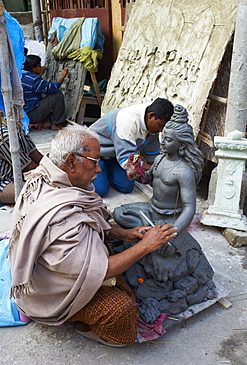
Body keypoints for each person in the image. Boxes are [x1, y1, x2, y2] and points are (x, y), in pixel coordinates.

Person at [9, 123, 177, 347]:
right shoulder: (61, 215)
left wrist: (125, 234)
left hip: (59, 268)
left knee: (123, 264)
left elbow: (91, 221)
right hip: (49, 293)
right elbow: (97, 271)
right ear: (71, 161)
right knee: (122, 312)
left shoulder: (50, 177)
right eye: (95, 162)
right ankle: (70, 318)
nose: (99, 170)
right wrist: (145, 246)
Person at [113, 105, 215, 324]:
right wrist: (137, 173)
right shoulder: (159, 160)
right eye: (163, 137)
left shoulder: (183, 171)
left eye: (169, 140)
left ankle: (149, 231)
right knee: (118, 212)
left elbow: (189, 207)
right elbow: (148, 178)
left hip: (168, 218)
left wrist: (175, 233)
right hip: (151, 210)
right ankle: (144, 224)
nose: (162, 142)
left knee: (162, 245)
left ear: (181, 144)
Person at [89, 98, 174, 197]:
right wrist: (156, 171)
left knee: (127, 187)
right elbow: (129, 161)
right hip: (97, 154)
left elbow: (153, 155)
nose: (161, 130)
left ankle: (107, 171)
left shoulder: (152, 127)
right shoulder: (127, 121)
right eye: (160, 125)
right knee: (100, 190)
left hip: (115, 156)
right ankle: (101, 171)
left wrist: (155, 180)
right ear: (151, 116)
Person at [0, 111, 43, 204]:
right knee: (42, 192)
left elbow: (34, 153)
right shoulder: (5, 137)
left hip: (17, 175)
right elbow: (28, 166)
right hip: (4, 183)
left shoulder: (15, 126)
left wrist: (54, 167)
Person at [21, 54, 68, 131]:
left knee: (42, 96)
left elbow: (37, 87)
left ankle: (46, 122)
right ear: (33, 68)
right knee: (57, 94)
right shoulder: (33, 79)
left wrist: (39, 75)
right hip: (30, 114)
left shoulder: (21, 75)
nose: (41, 67)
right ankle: (56, 123)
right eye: (39, 66)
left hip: (23, 112)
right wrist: (63, 76)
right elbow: (52, 88)